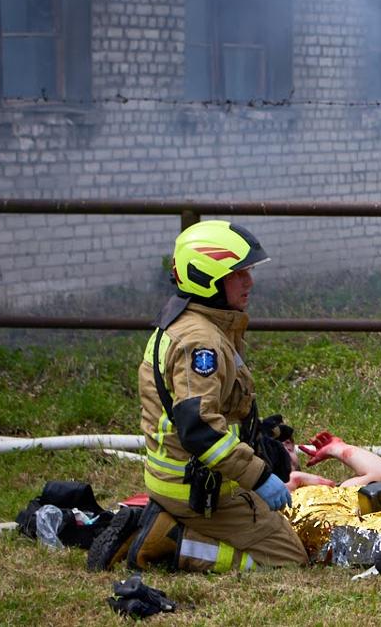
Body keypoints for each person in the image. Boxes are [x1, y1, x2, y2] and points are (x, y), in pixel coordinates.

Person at [88, 220, 307, 572]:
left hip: (187, 479)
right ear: (207, 277)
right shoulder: (200, 342)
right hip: (199, 490)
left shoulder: (193, 324)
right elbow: (200, 429)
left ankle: (165, 523)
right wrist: (259, 477)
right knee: (288, 558)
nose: (249, 282)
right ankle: (170, 542)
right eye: (239, 273)